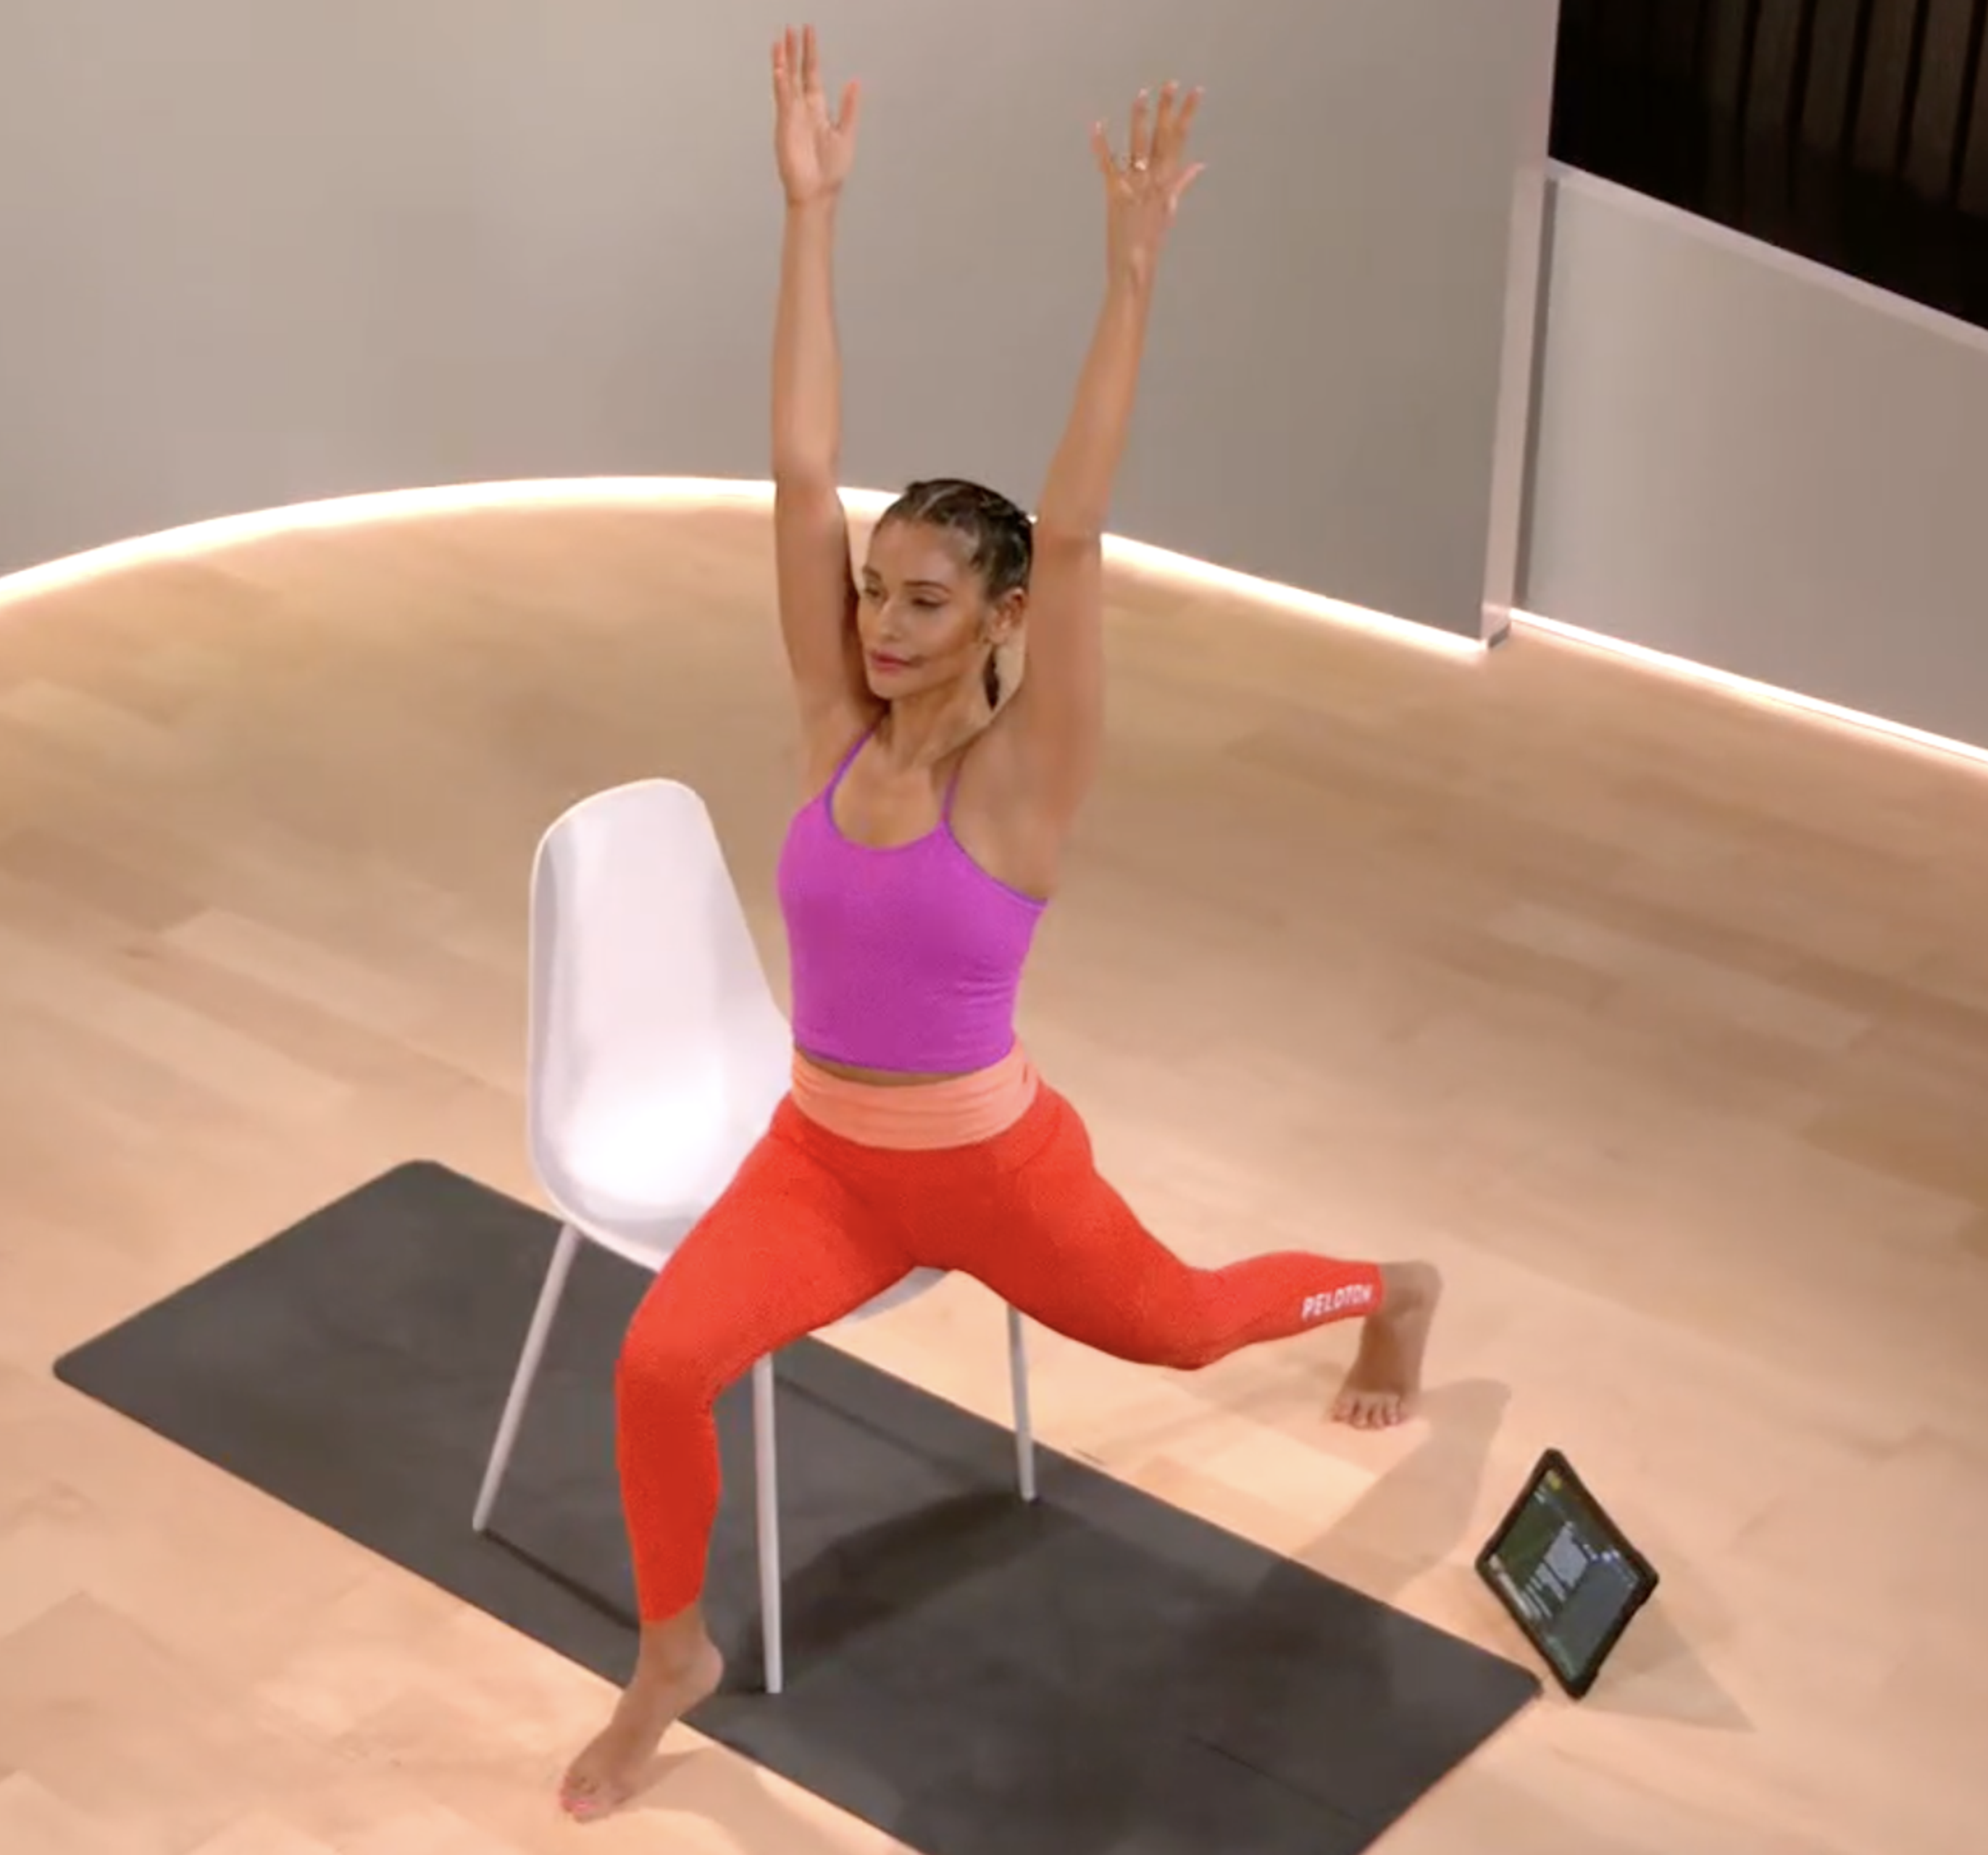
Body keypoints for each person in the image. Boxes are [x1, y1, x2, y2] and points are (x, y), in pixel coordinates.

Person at [556, 25, 1445, 1822]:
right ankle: (671, 1656)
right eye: (874, 591)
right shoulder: (837, 722)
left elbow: (1087, 527)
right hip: (820, 1161)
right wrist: (810, 215)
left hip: (992, 1170)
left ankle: (1391, 1291)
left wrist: (1131, 280)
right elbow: (799, 470)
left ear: (1001, 617)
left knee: (1183, 1323)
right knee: (658, 1360)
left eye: (924, 601)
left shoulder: (1025, 784)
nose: (880, 625)